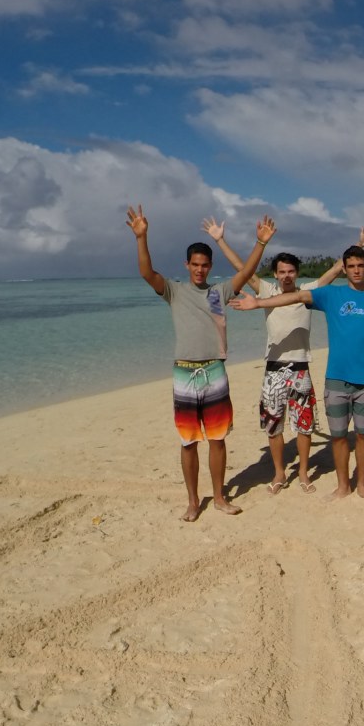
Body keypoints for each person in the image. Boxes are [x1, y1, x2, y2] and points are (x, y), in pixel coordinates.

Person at [210, 219, 364, 494]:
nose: (286, 276)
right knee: (273, 425)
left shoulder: (308, 291)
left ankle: (302, 473)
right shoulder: (267, 291)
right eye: (282, 272)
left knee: (304, 426)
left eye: (290, 271)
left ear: (297, 273)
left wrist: (359, 245)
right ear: (275, 274)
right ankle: (279, 473)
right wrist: (220, 240)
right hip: (273, 369)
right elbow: (243, 268)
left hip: (301, 368)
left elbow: (337, 269)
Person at [126, 204, 271, 521]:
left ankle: (219, 497)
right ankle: (193, 501)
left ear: (210, 266)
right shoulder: (174, 292)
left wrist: (260, 243)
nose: (200, 270)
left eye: (205, 265)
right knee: (188, 442)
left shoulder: (220, 292)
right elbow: (147, 273)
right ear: (187, 265)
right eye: (195, 265)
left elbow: (246, 273)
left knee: (218, 439)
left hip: (215, 370)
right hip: (184, 373)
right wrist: (141, 237)